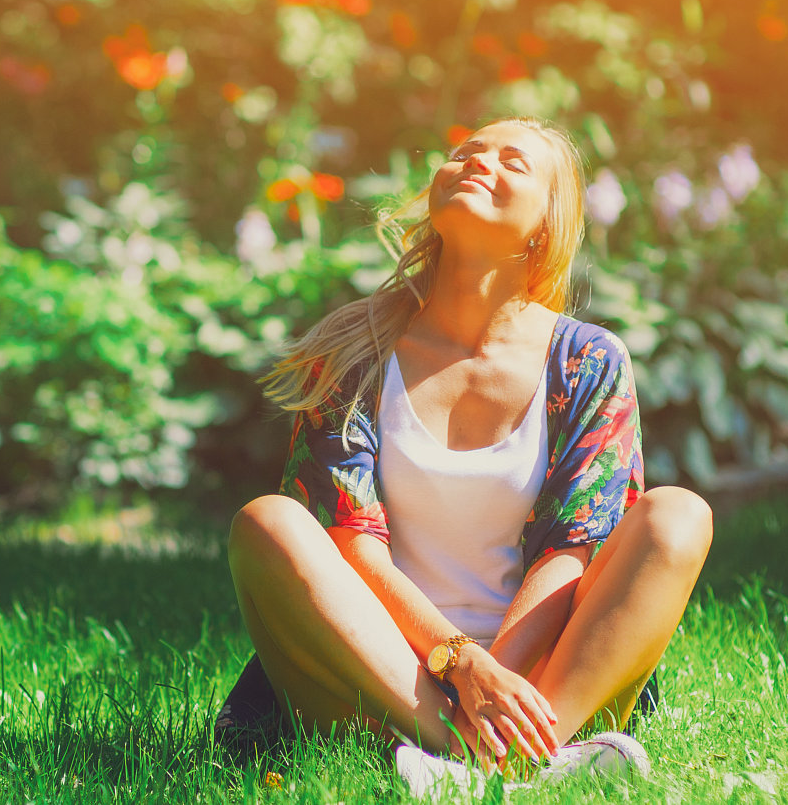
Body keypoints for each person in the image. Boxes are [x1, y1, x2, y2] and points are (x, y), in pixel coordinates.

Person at [216, 117, 714, 785]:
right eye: (466, 153)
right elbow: (351, 547)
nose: (479, 162)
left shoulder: (587, 361)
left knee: (678, 515)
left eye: (513, 162)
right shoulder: (356, 351)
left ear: (546, 223)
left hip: (544, 680)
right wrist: (459, 664)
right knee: (267, 522)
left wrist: (499, 680)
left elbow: (573, 548)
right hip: (381, 672)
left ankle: (512, 751)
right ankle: (481, 759)